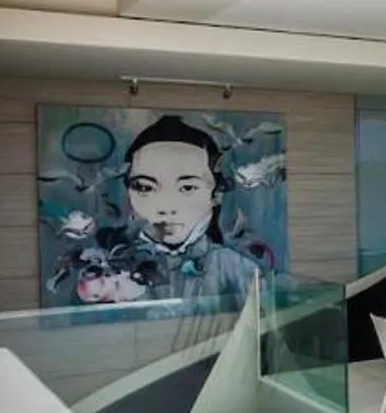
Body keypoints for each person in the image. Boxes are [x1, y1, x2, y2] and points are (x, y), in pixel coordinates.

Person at [69, 115, 267, 305]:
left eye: (187, 188)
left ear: (216, 194)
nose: (166, 207)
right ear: (129, 192)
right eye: (145, 188)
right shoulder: (104, 270)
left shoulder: (236, 268)